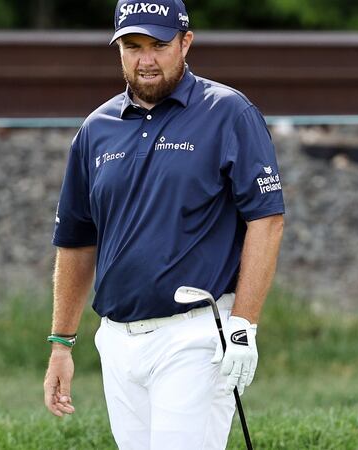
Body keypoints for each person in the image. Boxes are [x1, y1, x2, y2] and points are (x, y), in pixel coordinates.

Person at [43, 0, 285, 448]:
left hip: (196, 333)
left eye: (159, 44)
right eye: (133, 46)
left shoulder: (228, 112)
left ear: (185, 43)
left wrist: (244, 324)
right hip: (116, 341)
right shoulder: (96, 129)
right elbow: (76, 241)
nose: (146, 59)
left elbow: (266, 220)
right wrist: (62, 343)